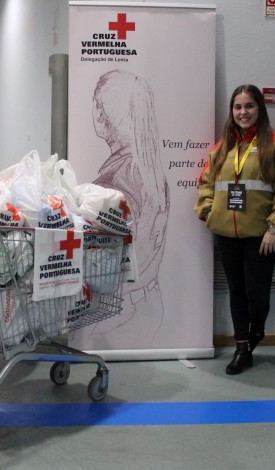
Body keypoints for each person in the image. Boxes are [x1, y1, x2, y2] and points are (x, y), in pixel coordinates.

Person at [195, 85, 275, 375]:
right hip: (227, 235)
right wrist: (206, 210)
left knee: (258, 295)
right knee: (236, 291)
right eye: (238, 107)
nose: (243, 112)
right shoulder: (223, 147)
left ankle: (257, 332)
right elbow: (207, 182)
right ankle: (242, 347)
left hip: (261, 236)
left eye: (249, 106)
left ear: (259, 109)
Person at [84, 69, 170, 346]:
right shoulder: (149, 170)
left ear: (104, 113)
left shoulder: (117, 182)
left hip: (118, 313)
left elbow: (108, 249)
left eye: (96, 106)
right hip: (145, 301)